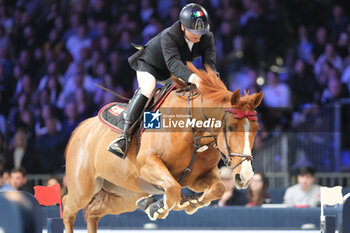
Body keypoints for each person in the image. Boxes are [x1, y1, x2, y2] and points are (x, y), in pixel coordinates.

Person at [107, 3, 217, 158]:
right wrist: (194, 77)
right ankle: (124, 137)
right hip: (150, 65)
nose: (198, 36)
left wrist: (213, 82)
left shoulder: (207, 37)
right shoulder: (169, 35)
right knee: (148, 88)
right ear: (183, 27)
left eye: (201, 31)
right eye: (194, 32)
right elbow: (173, 64)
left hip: (171, 72)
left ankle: (194, 138)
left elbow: (209, 64)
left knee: (189, 95)